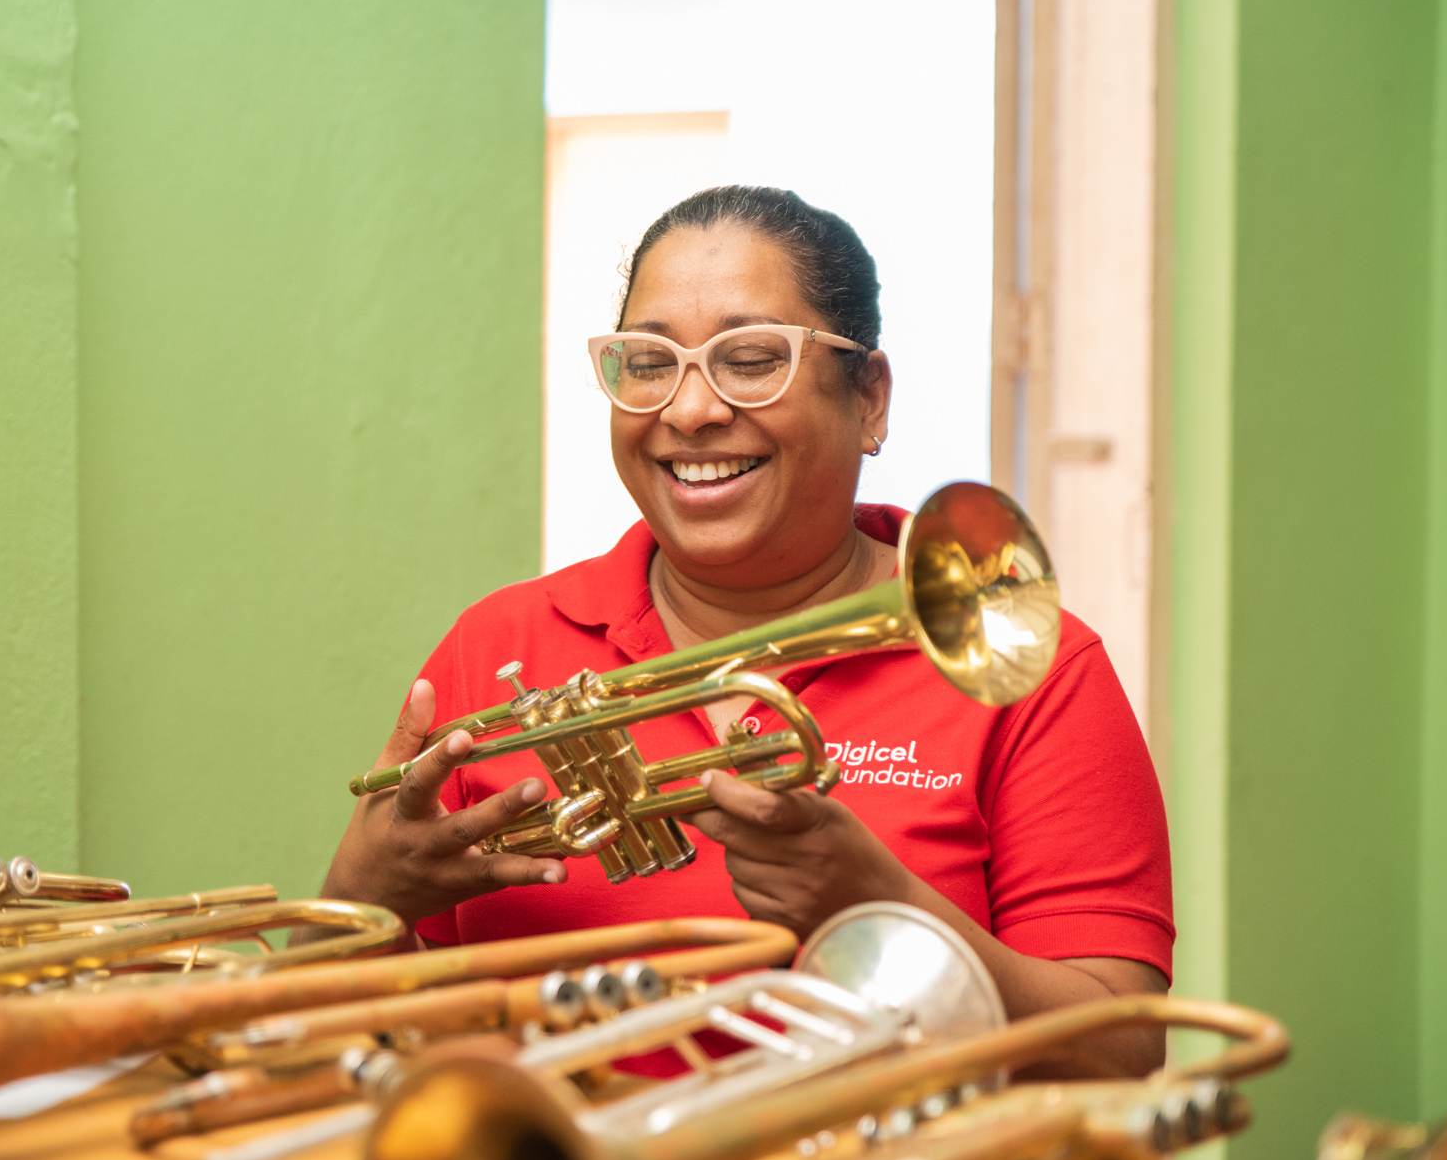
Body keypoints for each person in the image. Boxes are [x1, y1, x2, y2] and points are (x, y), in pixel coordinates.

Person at [322, 185, 1172, 1076]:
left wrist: (889, 909)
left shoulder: (1022, 657)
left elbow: (1120, 1052)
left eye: (751, 357)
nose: (689, 411)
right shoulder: (496, 642)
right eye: (648, 363)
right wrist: (360, 892)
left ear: (870, 398)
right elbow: (357, 1052)